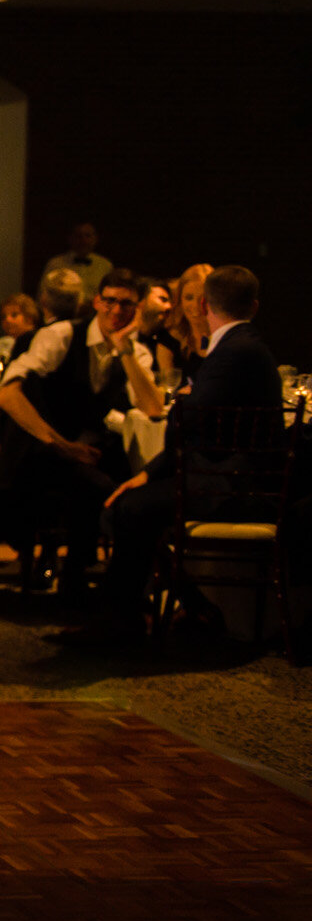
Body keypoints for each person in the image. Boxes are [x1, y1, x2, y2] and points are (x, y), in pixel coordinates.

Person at [86, 266, 277, 642]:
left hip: (231, 487)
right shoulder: (247, 344)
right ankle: (182, 606)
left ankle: (124, 621)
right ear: (254, 306)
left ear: (205, 304)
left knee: (127, 509)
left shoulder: (233, 351)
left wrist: (178, 408)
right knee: (127, 505)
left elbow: (186, 423)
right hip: (231, 477)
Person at [0, 268, 161, 596]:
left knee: (134, 483)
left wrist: (124, 347)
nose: (116, 311)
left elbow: (153, 409)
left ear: (136, 310)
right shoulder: (63, 335)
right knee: (104, 488)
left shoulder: (136, 351)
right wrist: (63, 445)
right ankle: (95, 577)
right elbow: (6, 395)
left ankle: (102, 578)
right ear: (96, 301)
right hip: (43, 450)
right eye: (109, 301)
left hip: (90, 452)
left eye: (126, 305)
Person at [162, 262, 214, 387]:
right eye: (189, 298)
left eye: (203, 299)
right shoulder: (170, 340)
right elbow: (167, 388)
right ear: (179, 299)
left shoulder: (227, 338)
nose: (196, 306)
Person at [40, 222, 114, 296]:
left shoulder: (105, 266)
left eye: (88, 236)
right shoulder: (55, 264)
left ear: (95, 239)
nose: (83, 240)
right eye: (78, 236)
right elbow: (43, 294)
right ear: (70, 239)